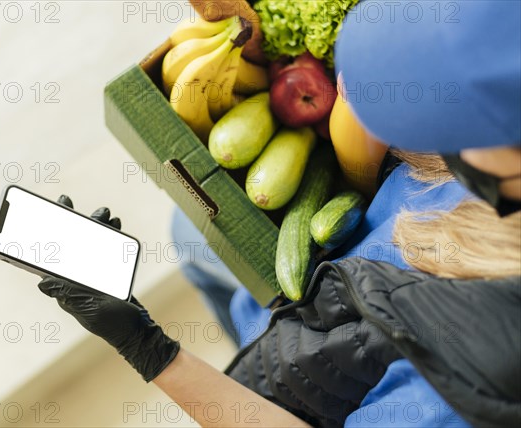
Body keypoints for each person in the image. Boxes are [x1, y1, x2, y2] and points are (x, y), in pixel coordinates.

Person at [37, 1, 520, 426]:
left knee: (200, 257)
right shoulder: (485, 161)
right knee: (189, 235)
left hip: (308, 372)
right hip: (321, 285)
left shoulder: (474, 382)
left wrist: (150, 350)